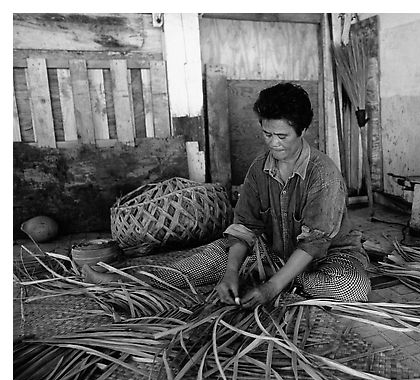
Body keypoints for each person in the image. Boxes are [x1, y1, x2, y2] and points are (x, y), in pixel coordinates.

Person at [84, 82, 371, 307]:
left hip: (327, 258)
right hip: (271, 252)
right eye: (266, 134)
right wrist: (231, 271)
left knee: (351, 287)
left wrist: (271, 288)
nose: (273, 143)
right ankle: (123, 281)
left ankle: (279, 279)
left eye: (282, 136)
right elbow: (245, 226)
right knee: (209, 258)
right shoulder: (260, 168)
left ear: (303, 130)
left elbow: (314, 244)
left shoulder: (323, 173)